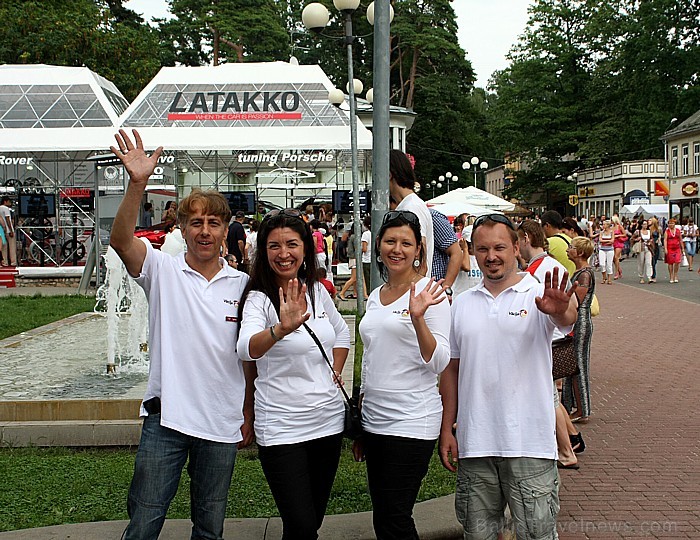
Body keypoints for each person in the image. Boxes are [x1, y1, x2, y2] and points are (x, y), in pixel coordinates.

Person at [108, 129, 252, 540]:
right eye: (195, 223)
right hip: (165, 418)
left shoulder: (244, 286)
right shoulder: (162, 270)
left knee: (210, 528)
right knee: (144, 522)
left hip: (220, 424)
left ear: (227, 230)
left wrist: (247, 412)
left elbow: (248, 358)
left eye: (213, 222)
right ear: (182, 229)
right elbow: (120, 241)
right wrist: (138, 184)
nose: (204, 230)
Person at [439, 214, 578, 540]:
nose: (491, 256)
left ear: (517, 247)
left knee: (536, 534)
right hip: (476, 445)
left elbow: (566, 317)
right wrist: (447, 428)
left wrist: (560, 310)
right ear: (472, 251)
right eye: (482, 248)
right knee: (479, 535)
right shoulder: (462, 303)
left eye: (500, 247)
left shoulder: (538, 295)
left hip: (528, 444)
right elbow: (451, 369)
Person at [236, 208, 350, 540]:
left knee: (309, 522)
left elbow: (342, 334)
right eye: (274, 246)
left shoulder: (316, 291)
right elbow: (246, 348)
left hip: (327, 421)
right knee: (300, 525)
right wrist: (280, 329)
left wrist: (336, 370)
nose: (284, 254)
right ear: (263, 251)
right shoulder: (258, 298)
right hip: (282, 425)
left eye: (292, 244)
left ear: (305, 248)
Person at [356, 210, 451, 539]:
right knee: (384, 515)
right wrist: (361, 422)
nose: (397, 249)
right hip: (374, 420)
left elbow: (439, 361)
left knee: (395, 515)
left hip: (411, 419)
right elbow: (371, 358)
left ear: (419, 249)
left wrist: (418, 319)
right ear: (378, 244)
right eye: (390, 241)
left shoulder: (430, 293)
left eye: (406, 243)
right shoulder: (375, 296)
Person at [516, 219, 582, 469]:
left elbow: (567, 309)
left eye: (518, 240)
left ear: (526, 239)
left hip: (548, 340)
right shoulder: (548, 264)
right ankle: (572, 440)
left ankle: (566, 449)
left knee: (548, 395)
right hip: (555, 337)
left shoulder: (537, 271)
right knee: (550, 394)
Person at [564, 236, 595, 424]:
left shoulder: (584, 274)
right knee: (573, 364)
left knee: (578, 365)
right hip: (578, 320)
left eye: (572, 247)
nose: (568, 250)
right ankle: (572, 405)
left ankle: (582, 408)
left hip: (581, 320)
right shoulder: (580, 272)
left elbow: (577, 300)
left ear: (580, 253)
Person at [389, 149, 433, 277]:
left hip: (411, 291)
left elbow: (421, 261)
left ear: (389, 174)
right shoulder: (412, 204)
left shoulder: (411, 208)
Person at [540, 210, 576, 275]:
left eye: (542, 226)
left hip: (561, 282)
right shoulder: (570, 240)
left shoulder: (548, 242)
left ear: (547, 225)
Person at [631, 219, 654, 284]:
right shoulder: (638, 232)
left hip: (648, 248)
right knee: (641, 263)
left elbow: (652, 238)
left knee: (648, 263)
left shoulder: (649, 231)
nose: (645, 225)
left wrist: (650, 242)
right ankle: (641, 277)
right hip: (641, 248)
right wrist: (636, 239)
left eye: (646, 224)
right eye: (644, 224)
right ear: (641, 225)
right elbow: (632, 239)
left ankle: (649, 277)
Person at [663, 218, 684, 283]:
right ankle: (671, 276)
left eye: (672, 223)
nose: (671, 224)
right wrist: (665, 248)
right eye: (669, 223)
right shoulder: (667, 231)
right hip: (670, 248)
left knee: (677, 261)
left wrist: (682, 248)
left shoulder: (678, 231)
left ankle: (675, 275)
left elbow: (680, 240)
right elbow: (665, 240)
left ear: (675, 224)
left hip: (677, 248)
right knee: (670, 262)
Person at [0, 196, 17, 267]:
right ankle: (13, 262)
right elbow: (7, 219)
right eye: (9, 201)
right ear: (5, 201)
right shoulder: (6, 209)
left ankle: (4, 262)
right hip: (8, 230)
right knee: (12, 247)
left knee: (4, 247)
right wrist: (11, 230)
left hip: (1, 230)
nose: (10, 203)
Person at [597, 219, 615, 284]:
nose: (603, 225)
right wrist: (608, 241)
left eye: (604, 224)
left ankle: (609, 278)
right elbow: (600, 240)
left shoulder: (611, 232)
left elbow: (612, 240)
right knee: (602, 264)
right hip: (602, 249)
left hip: (610, 249)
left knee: (609, 264)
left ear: (608, 225)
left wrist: (605, 241)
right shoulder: (601, 232)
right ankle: (604, 277)